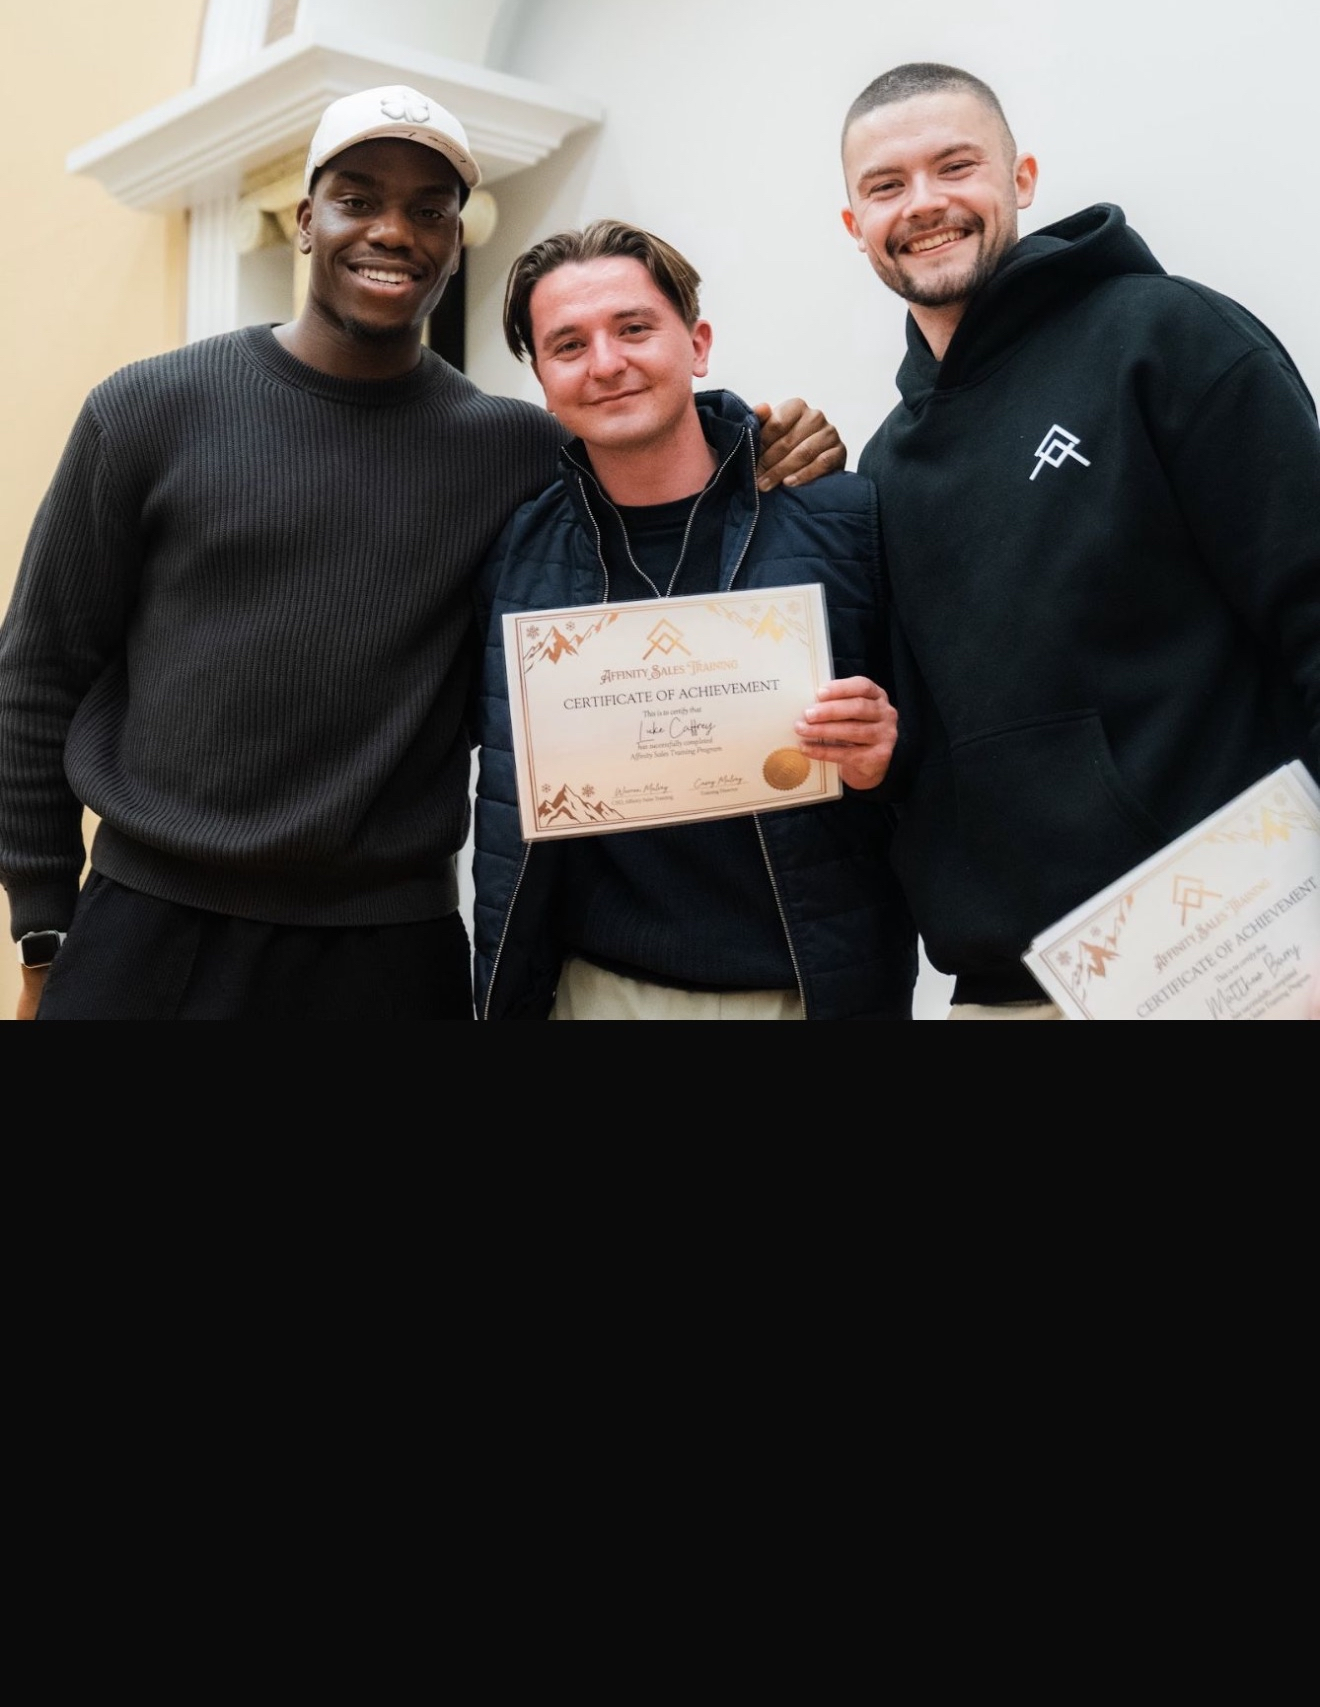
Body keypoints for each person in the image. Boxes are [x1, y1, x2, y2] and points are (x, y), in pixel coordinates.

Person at [0, 87, 844, 1022]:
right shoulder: (147, 411)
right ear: (305, 219)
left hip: (391, 952)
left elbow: (651, 441)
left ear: (455, 239)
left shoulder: (515, 449)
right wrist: (43, 923)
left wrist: (766, 438)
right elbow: (36, 675)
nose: (393, 230)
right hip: (150, 930)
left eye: (428, 210)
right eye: (358, 199)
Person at [840, 60, 1320, 1020]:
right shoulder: (883, 463)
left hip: (1232, 955)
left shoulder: (1167, 338)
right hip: (1002, 987)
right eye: (887, 186)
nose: (924, 204)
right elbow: (925, 745)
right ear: (854, 225)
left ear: (1020, 180)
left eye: (956, 167)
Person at [471, 221, 917, 1020]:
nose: (607, 363)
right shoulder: (516, 552)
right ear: (541, 378)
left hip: (808, 991)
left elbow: (945, 749)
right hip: (594, 990)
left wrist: (887, 753)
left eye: (634, 328)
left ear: (696, 343)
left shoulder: (845, 518)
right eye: (568, 345)